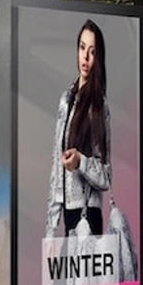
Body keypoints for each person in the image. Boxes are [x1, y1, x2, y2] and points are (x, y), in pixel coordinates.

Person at [45, 19, 112, 239]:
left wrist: (80, 162)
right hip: (66, 213)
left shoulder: (98, 106)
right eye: (82, 48)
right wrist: (51, 224)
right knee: (64, 275)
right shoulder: (66, 99)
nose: (85, 57)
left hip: (87, 215)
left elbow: (105, 176)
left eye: (92, 51)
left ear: (98, 58)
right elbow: (57, 166)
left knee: (87, 276)